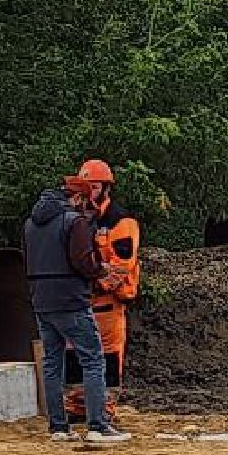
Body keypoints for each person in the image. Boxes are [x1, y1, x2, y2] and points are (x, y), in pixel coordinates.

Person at [23, 173, 129, 442]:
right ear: (78, 197)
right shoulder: (75, 221)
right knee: (93, 359)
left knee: (52, 363)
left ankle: (58, 427)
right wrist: (100, 271)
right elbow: (82, 260)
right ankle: (98, 426)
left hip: (41, 300)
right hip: (71, 299)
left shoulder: (31, 224)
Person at [65, 159, 139, 423]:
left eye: (94, 187)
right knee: (73, 352)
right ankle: (76, 406)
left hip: (107, 301)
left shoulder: (120, 221)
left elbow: (121, 266)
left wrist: (94, 279)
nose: (89, 192)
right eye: (86, 187)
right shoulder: (78, 219)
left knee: (107, 355)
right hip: (81, 300)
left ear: (106, 188)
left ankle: (105, 407)